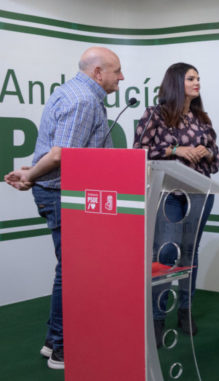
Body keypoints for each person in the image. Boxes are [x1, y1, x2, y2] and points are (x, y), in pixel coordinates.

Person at [3, 47, 125, 370]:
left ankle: (52, 342)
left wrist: (31, 175)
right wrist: (30, 174)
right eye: (117, 71)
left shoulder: (69, 91)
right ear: (98, 73)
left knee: (68, 269)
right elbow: (61, 155)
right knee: (73, 272)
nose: (122, 77)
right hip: (61, 194)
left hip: (57, 192)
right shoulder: (84, 100)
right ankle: (61, 349)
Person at [134, 62, 219, 343]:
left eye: (198, 78)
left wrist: (205, 153)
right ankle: (157, 317)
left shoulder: (202, 119)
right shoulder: (155, 114)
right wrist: (176, 150)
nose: (197, 83)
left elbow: (216, 160)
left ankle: (185, 309)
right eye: (191, 78)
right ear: (175, 82)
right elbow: (138, 151)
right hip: (167, 194)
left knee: (189, 253)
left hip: (199, 192)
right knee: (165, 255)